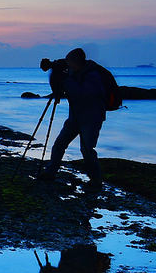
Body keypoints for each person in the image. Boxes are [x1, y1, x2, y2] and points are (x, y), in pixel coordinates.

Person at [37, 47, 108, 190]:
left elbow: (83, 94)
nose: (67, 66)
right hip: (75, 117)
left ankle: (96, 181)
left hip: (92, 118)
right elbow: (64, 86)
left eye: (70, 63)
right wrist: (55, 74)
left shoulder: (92, 75)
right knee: (59, 144)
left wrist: (66, 80)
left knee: (87, 149)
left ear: (77, 62)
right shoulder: (73, 71)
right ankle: (50, 172)